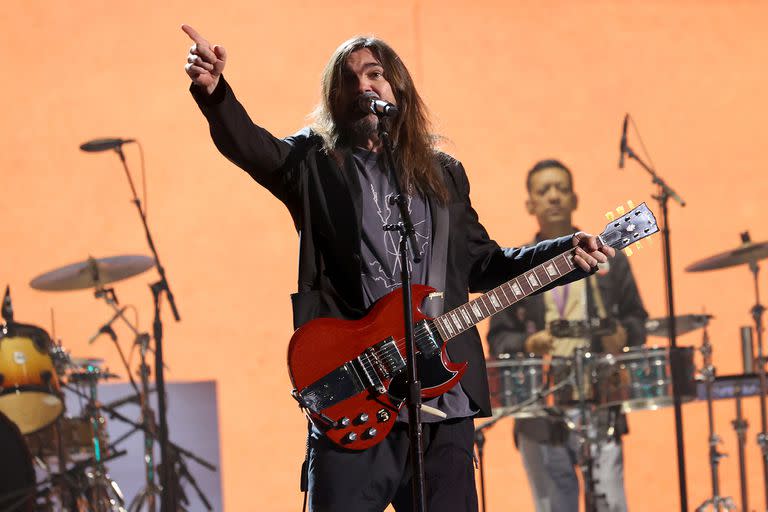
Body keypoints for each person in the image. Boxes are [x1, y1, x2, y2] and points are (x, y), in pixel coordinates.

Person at [182, 27, 616, 512]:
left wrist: (564, 256)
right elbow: (252, 147)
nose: (364, 86)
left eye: (374, 74)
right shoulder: (314, 163)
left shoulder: (443, 172)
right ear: (337, 98)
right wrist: (214, 92)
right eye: (350, 80)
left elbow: (483, 265)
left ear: (399, 90)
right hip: (356, 393)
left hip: (442, 404)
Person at [487, 159, 648, 512]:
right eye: (544, 191)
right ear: (530, 204)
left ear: (575, 198)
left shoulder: (611, 260)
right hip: (540, 417)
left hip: (601, 404)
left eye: (561, 188)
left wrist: (622, 335)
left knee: (612, 505)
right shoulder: (518, 269)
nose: (554, 196)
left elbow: (638, 319)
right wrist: (530, 343)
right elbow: (498, 340)